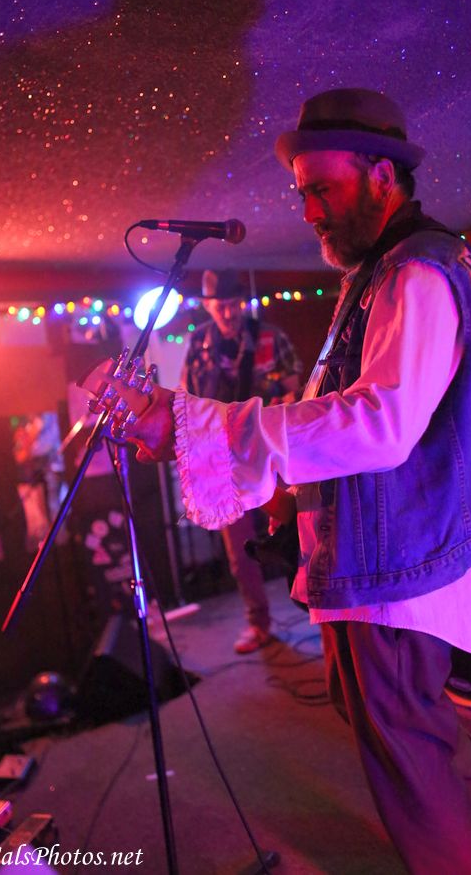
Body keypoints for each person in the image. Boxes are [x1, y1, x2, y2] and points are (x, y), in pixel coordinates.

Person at [107, 88, 471, 873]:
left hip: (399, 563)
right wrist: (280, 484)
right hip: (385, 551)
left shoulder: (415, 273)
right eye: (302, 193)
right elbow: (340, 404)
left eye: (322, 189)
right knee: (388, 716)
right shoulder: (382, 271)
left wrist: (206, 426)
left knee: (404, 757)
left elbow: (381, 422)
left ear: (381, 175)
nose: (308, 211)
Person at [180, 267, 303, 653]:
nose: (229, 313)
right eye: (221, 306)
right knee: (239, 552)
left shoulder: (270, 337)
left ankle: (317, 606)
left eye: (234, 305)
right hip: (224, 461)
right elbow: (187, 399)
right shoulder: (199, 343)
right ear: (207, 306)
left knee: (297, 532)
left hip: (269, 456)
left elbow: (295, 391)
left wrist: (278, 407)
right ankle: (258, 622)